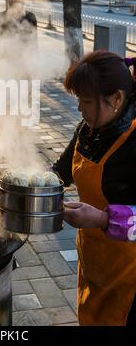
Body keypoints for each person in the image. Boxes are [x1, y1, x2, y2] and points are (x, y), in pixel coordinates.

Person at [52, 51, 136, 326]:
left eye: (86, 101)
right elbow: (60, 174)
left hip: (128, 274)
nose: (80, 109)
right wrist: (28, 186)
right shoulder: (87, 130)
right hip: (92, 259)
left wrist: (102, 218)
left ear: (117, 99)